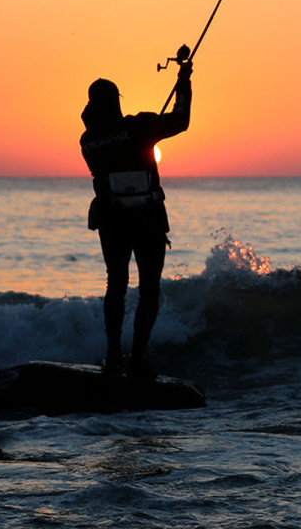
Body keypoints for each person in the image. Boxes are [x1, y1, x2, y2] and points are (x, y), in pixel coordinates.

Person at [80, 62, 193, 377]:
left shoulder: (87, 141)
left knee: (116, 284)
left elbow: (115, 140)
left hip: (112, 222)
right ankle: (138, 357)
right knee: (149, 289)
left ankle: (114, 356)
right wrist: (183, 81)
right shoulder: (142, 127)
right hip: (147, 219)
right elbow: (181, 120)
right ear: (117, 100)